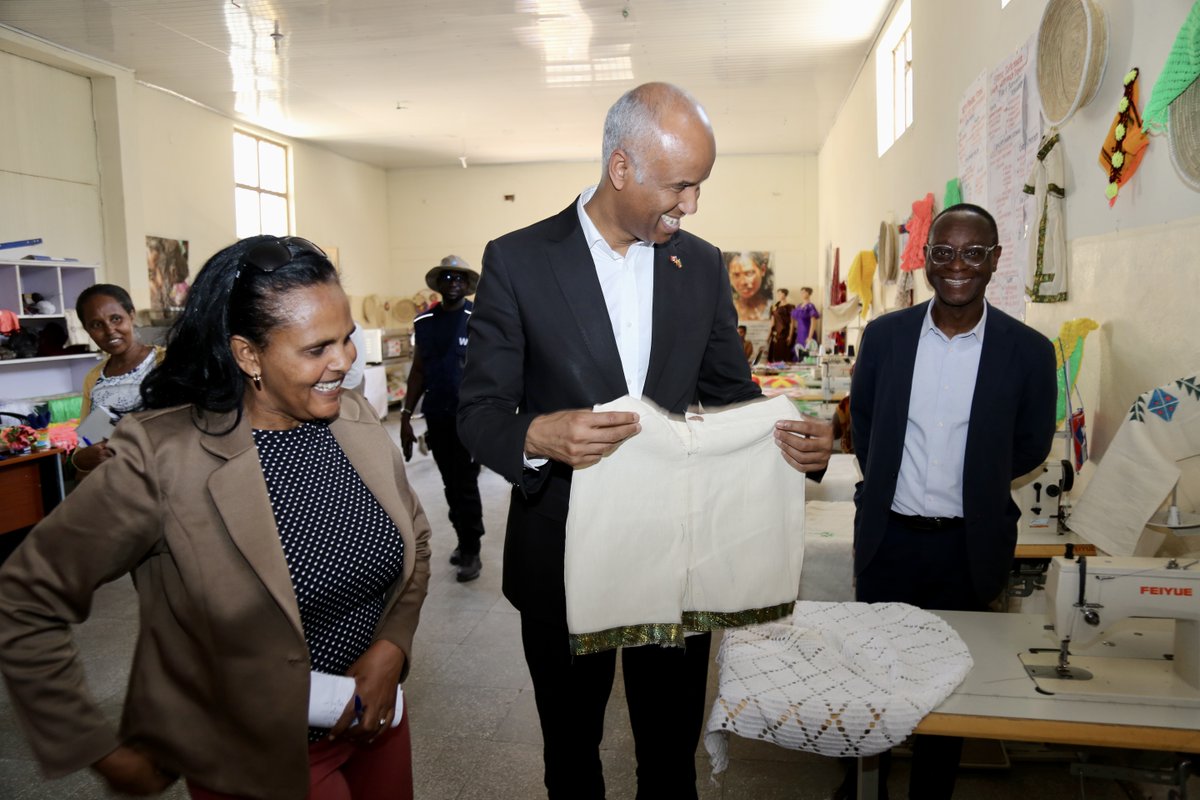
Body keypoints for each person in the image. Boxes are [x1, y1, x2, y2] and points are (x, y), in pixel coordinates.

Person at [457, 82, 833, 800]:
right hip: (564, 552)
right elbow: (478, 412)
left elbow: (732, 396)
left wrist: (791, 437)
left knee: (669, 758)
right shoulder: (519, 260)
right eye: (681, 185)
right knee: (572, 755)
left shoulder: (699, 266)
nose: (692, 205)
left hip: (675, 554)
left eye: (700, 186)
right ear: (621, 168)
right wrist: (537, 433)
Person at [0, 235, 431, 800]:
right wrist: (93, 747)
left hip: (375, 720)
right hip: (256, 754)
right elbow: (25, 598)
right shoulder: (163, 457)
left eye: (346, 338)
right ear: (247, 354)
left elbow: (416, 539)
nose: (344, 362)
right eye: (316, 348)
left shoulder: (350, 417)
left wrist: (391, 646)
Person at [845, 203, 1056, 799]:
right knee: (878, 682)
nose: (956, 265)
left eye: (971, 253)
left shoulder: (1029, 352)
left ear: (993, 260)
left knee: (948, 692)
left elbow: (1030, 445)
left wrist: (978, 485)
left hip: (968, 548)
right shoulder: (885, 337)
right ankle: (869, 788)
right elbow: (864, 425)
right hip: (889, 543)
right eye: (942, 252)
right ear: (925, 260)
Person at [399, 255, 486, 582]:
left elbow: (491, 370)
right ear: (438, 284)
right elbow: (418, 370)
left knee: (465, 483)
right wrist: (406, 415)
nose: (453, 283)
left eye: (459, 278)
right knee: (451, 483)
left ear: (468, 284)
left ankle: (471, 549)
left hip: (469, 417)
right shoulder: (424, 323)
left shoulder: (476, 317)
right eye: (447, 278)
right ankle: (463, 538)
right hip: (437, 416)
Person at [72, 284, 165, 476]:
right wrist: (83, 458)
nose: (110, 330)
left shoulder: (165, 363)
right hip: (121, 486)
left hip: (167, 481)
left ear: (132, 315)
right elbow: (87, 443)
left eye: (116, 319)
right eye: (96, 325)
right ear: (87, 330)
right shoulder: (96, 379)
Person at [725, 250, 771, 321]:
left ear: (763, 270)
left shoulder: (773, 307)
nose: (743, 282)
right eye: (736, 275)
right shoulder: (723, 309)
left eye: (749, 273)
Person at [790, 286, 820, 359]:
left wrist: (810, 337)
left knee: (807, 354)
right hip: (800, 333)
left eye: (804, 292)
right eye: (801, 292)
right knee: (799, 352)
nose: (802, 294)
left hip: (807, 332)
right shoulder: (799, 306)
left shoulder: (810, 306)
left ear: (808, 293)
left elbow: (813, 322)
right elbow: (794, 319)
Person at [767, 288, 795, 362]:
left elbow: (792, 322)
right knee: (774, 353)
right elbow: (772, 322)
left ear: (784, 294)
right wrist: (769, 335)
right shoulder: (775, 306)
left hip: (785, 332)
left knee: (784, 353)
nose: (779, 295)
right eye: (778, 294)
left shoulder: (790, 307)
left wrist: (790, 335)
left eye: (780, 293)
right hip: (775, 333)